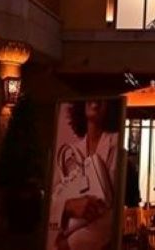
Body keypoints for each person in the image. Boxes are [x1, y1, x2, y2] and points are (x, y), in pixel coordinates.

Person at [51, 100, 119, 250]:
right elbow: (53, 201)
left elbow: (114, 215)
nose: (95, 100)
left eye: (103, 98)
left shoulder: (117, 146)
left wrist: (69, 244)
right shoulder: (69, 153)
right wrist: (68, 206)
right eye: (91, 95)